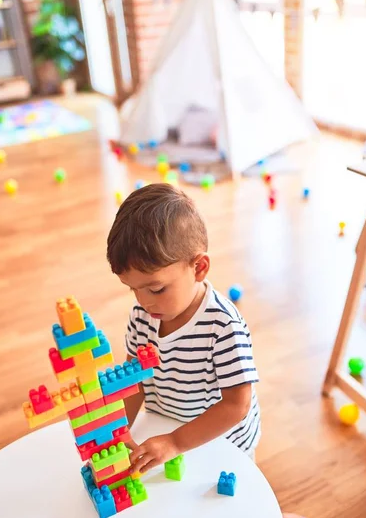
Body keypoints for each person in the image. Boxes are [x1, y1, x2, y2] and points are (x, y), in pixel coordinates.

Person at [106, 183, 260, 474]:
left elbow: (236, 406)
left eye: (156, 288)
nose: (142, 302)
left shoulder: (223, 326)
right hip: (166, 425)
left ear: (199, 268)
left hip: (222, 442)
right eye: (132, 290)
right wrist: (118, 433)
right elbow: (134, 380)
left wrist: (176, 442)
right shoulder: (142, 315)